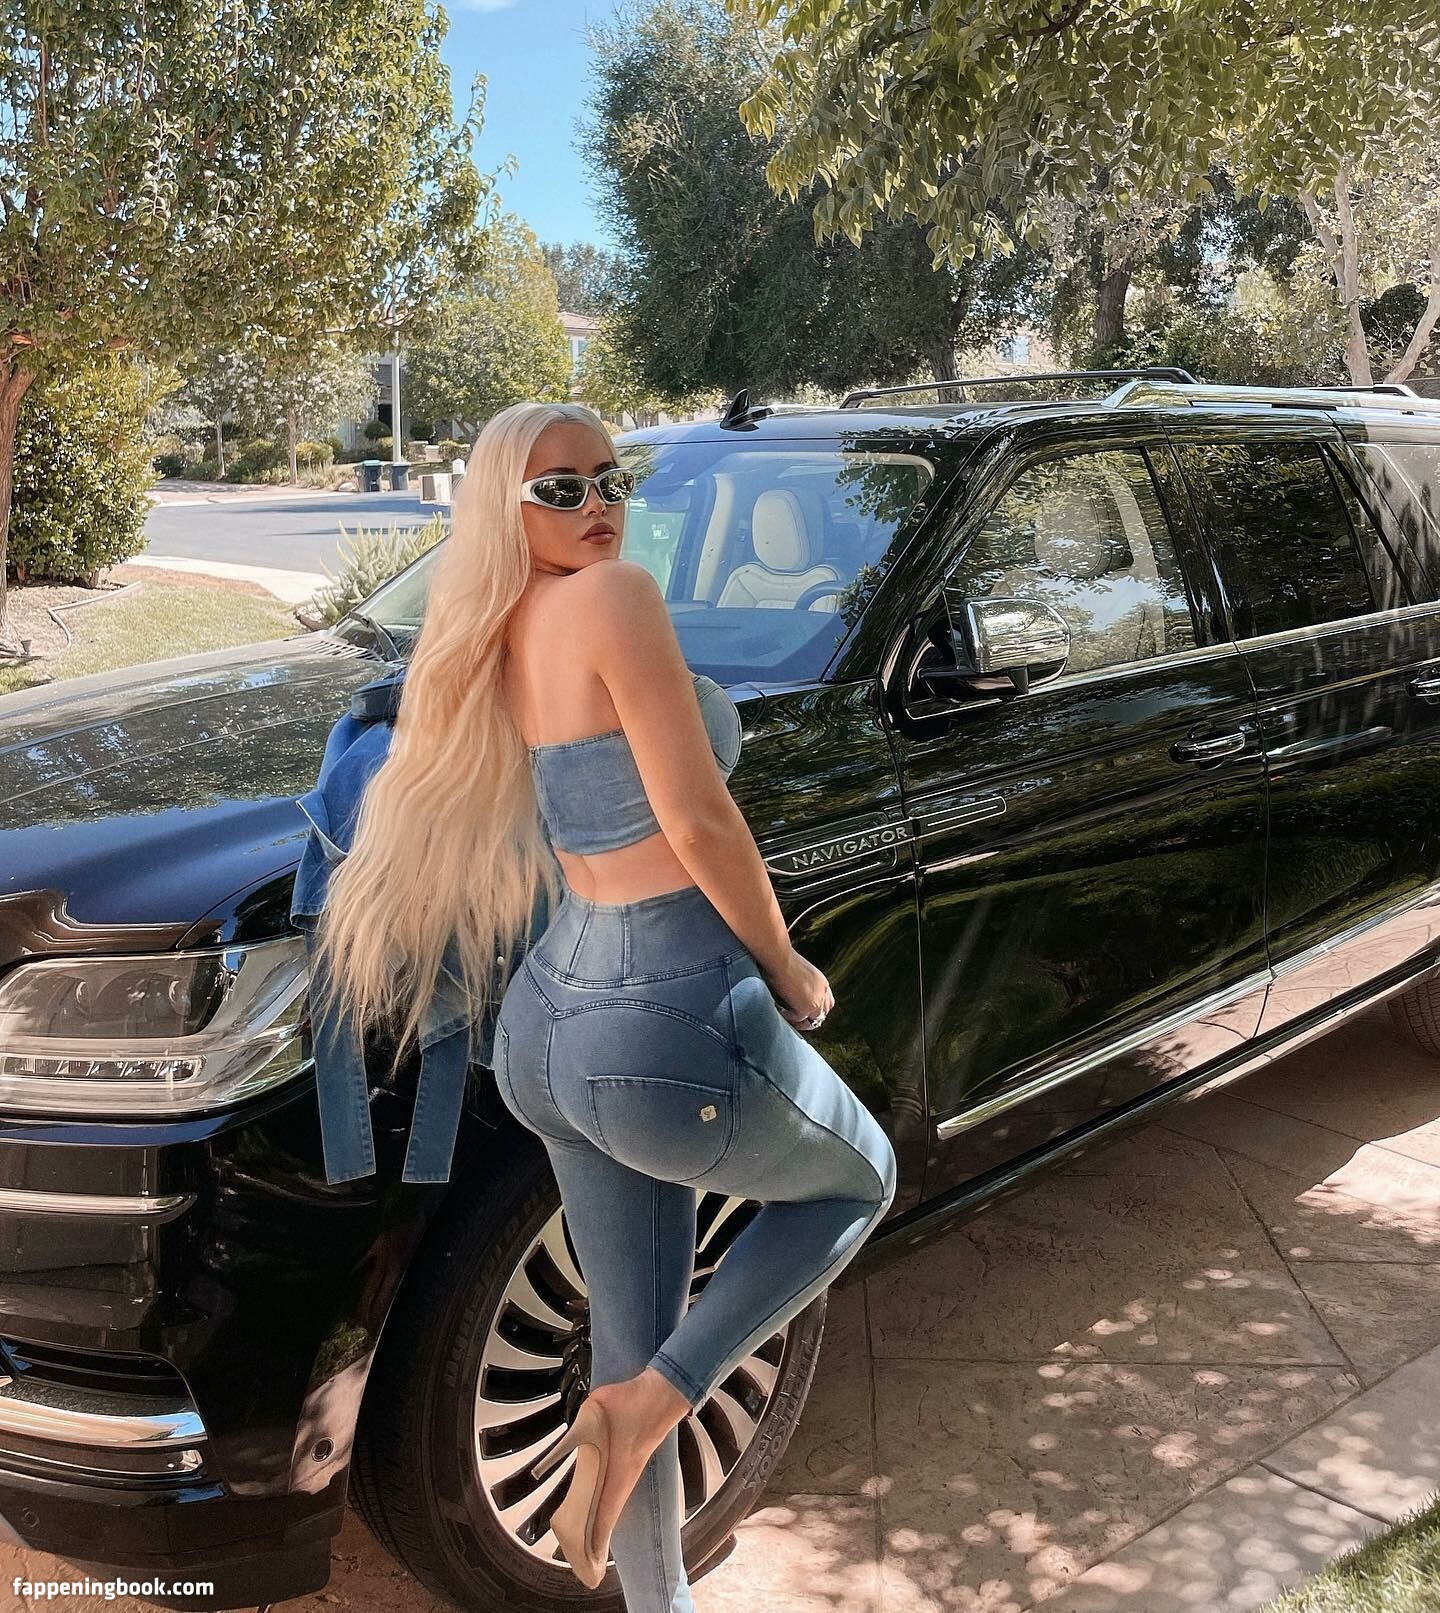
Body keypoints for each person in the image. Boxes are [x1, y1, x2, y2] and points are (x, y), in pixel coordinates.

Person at [306, 398, 897, 1613]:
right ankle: (650, 1403)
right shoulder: (615, 600)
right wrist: (787, 966)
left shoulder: (490, 628)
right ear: (505, 507)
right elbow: (698, 817)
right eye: (560, 489)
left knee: (627, 1329)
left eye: (612, 480)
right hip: (661, 1003)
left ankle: (654, 1572)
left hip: (548, 1021)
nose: (599, 507)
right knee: (859, 1181)